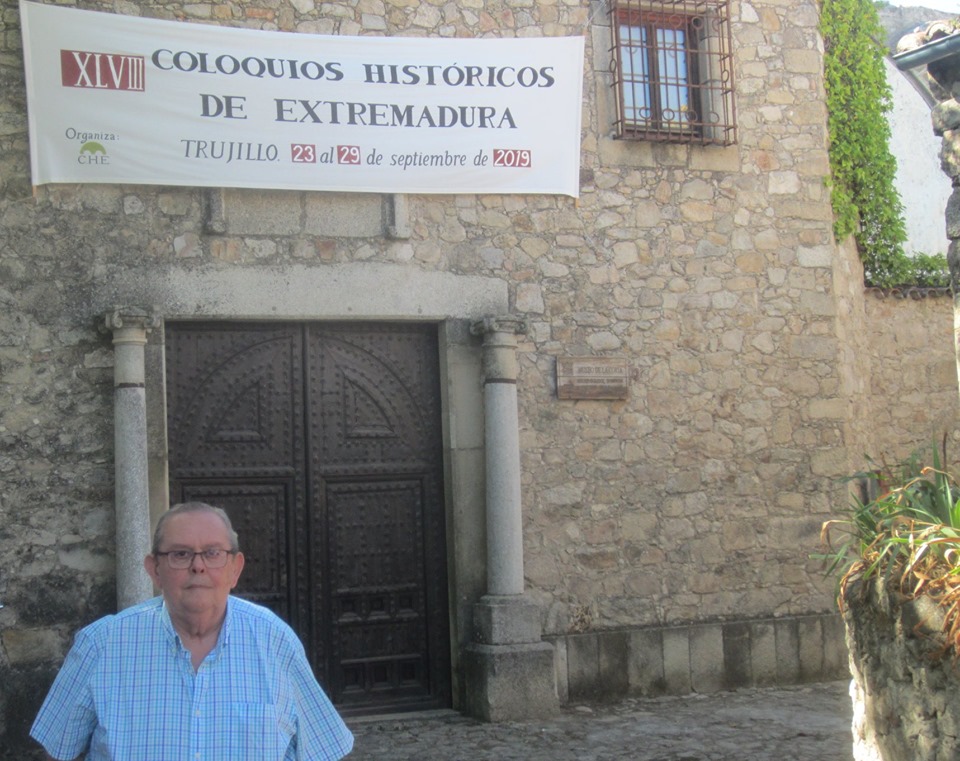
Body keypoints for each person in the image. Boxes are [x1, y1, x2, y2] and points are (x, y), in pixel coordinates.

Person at [31, 501, 354, 761]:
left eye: (213, 553)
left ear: (235, 568)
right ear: (154, 569)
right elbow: (59, 751)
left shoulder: (274, 639)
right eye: (180, 554)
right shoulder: (99, 645)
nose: (197, 566)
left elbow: (324, 748)